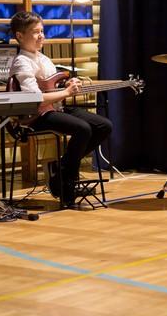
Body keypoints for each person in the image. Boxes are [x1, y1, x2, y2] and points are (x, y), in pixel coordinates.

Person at [9, 11, 113, 208]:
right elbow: (34, 99)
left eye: (42, 31)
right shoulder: (22, 62)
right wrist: (66, 92)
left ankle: (61, 169)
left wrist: (69, 82)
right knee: (83, 129)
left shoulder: (43, 58)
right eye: (35, 32)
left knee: (104, 125)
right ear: (20, 36)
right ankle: (66, 182)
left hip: (55, 108)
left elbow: (53, 85)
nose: (41, 36)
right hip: (36, 116)